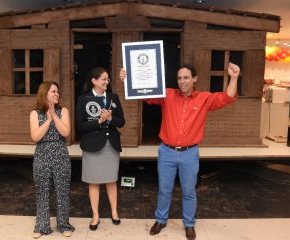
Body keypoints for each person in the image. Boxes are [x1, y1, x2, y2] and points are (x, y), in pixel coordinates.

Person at [120, 62, 240, 240]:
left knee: (189, 191)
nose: (182, 81)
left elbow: (227, 97)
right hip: (166, 152)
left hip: (189, 153)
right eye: (179, 78)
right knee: (164, 190)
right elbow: (144, 93)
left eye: (186, 77)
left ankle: (189, 224)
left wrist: (234, 77)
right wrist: (128, 79)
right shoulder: (167, 94)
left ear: (194, 79)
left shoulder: (204, 99)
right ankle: (161, 220)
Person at [76, 67, 125, 231]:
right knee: (94, 181)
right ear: (94, 81)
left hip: (111, 144)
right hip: (92, 146)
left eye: (108, 79)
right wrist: (98, 121)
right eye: (103, 79)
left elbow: (121, 122)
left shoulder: (113, 97)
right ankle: (95, 215)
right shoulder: (84, 99)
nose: (106, 82)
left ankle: (114, 211)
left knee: (111, 180)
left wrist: (110, 119)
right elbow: (80, 126)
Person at [29, 81, 75, 239]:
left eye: (57, 91)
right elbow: (35, 136)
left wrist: (54, 115)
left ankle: (63, 224)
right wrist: (48, 119)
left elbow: (66, 132)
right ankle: (42, 226)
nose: (57, 94)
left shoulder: (63, 111)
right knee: (42, 191)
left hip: (60, 153)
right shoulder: (35, 114)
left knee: (62, 191)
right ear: (45, 93)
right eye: (53, 91)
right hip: (42, 154)